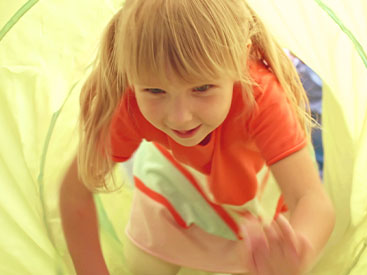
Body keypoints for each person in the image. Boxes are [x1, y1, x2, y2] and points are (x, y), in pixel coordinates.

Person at [59, 0, 335, 274]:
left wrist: (296, 254)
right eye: (155, 91)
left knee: (262, 257)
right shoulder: (128, 104)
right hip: (173, 184)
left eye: (202, 88)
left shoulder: (259, 94)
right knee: (143, 265)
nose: (180, 118)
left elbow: (312, 201)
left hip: (250, 187)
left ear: (241, 59)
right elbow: (74, 194)